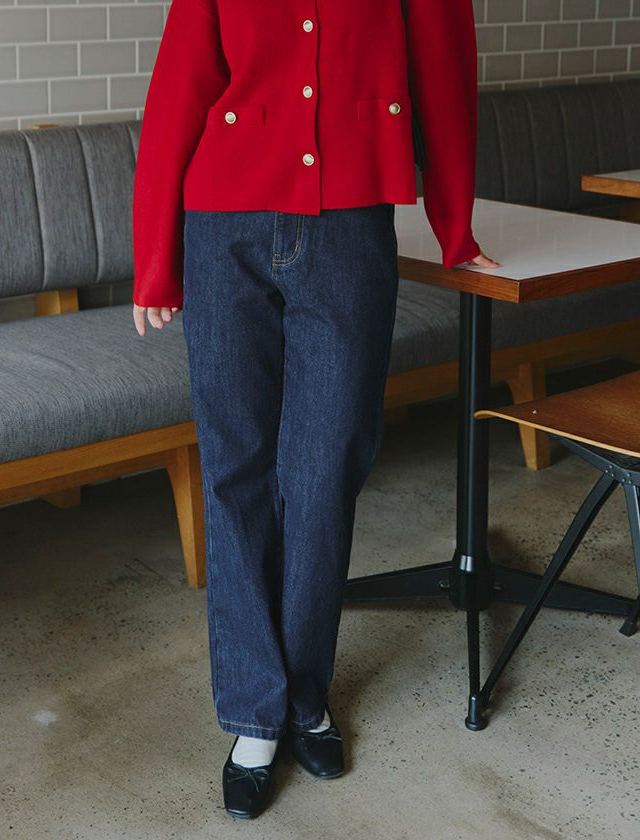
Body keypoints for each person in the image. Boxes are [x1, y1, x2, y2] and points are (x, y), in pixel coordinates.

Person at [131, 0, 499, 820]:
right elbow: (182, 84)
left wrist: (455, 222)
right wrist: (155, 254)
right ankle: (256, 713)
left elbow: (446, 74)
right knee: (235, 469)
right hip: (222, 227)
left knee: (325, 468)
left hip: (348, 232)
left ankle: (304, 692)